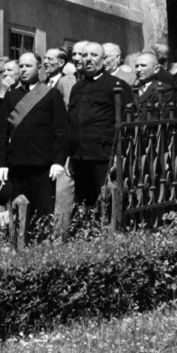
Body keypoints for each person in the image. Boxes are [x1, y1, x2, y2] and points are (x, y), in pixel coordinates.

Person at [0, 51, 67, 244]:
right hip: (17, 164)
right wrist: (0, 164)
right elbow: (2, 132)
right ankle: (19, 248)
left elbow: (61, 131)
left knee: (43, 213)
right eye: (22, 66)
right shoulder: (11, 96)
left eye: (28, 66)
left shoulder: (51, 94)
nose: (24, 70)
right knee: (18, 213)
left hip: (43, 165)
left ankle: (41, 251)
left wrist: (58, 162)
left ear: (39, 68)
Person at [63, 41, 131, 231]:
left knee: (105, 202)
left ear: (104, 59)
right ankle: (87, 236)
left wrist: (121, 155)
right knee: (83, 201)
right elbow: (71, 121)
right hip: (80, 155)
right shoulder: (77, 87)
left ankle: (107, 236)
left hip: (103, 154)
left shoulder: (117, 85)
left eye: (94, 55)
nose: (89, 60)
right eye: (85, 56)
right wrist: (70, 153)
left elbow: (126, 123)